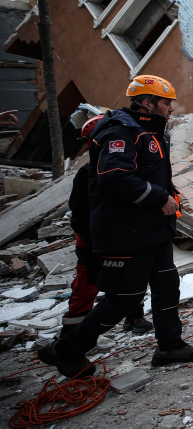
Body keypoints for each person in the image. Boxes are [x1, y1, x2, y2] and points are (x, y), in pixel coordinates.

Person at [39, 76, 193, 378]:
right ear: (147, 103)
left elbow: (151, 175)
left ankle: (170, 345)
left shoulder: (149, 132)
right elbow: (115, 177)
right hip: (125, 232)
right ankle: (66, 350)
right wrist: (160, 199)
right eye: (166, 102)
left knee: (167, 286)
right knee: (124, 299)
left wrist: (171, 196)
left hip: (152, 229)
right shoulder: (121, 131)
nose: (171, 107)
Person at [62, 116, 152, 338]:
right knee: (87, 282)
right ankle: (72, 331)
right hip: (92, 237)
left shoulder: (128, 167)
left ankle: (135, 315)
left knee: (132, 275)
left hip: (121, 232)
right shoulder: (87, 174)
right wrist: (92, 238)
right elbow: (80, 212)